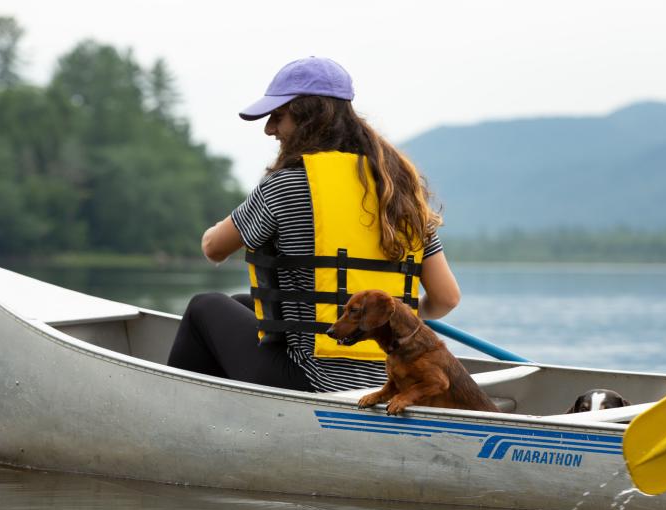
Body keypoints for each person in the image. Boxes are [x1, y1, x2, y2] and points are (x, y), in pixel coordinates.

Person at [167, 57, 461, 392]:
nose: (269, 129)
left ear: (309, 116)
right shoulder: (401, 190)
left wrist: (230, 220)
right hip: (388, 377)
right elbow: (446, 298)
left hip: (313, 380)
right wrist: (387, 317)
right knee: (241, 304)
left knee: (204, 306)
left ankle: (171, 415)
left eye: (278, 116)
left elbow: (213, 248)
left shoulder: (287, 184)